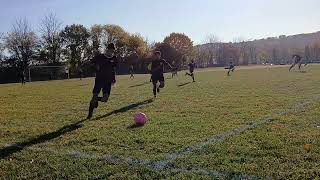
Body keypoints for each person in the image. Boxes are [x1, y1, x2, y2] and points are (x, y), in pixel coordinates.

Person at [87, 43, 118, 119]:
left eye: (112, 51)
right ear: (107, 49)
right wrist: (95, 67)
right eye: (110, 50)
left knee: (105, 99)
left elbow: (113, 69)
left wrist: (114, 78)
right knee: (94, 96)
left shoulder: (114, 58)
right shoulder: (100, 57)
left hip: (108, 81)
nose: (111, 52)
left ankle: (96, 99)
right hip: (99, 80)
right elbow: (91, 63)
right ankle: (90, 114)